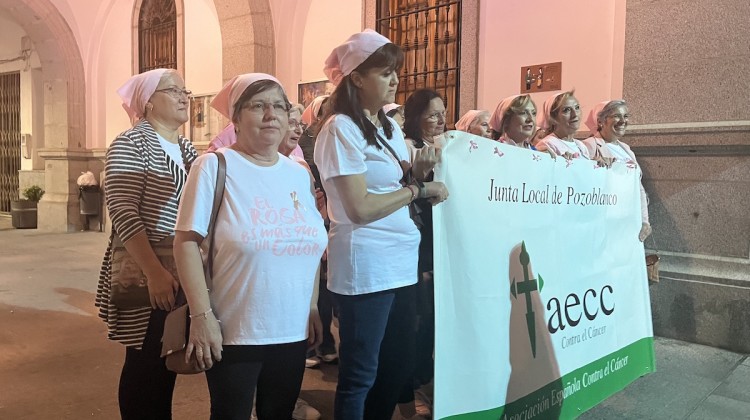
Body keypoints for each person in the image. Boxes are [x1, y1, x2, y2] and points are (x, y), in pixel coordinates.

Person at [173, 73, 327, 420]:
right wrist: (201, 316)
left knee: (279, 413)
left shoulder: (298, 174)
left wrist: (313, 305)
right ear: (236, 118)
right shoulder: (214, 165)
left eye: (279, 106)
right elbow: (185, 243)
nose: (271, 114)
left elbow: (311, 245)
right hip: (236, 330)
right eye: (258, 106)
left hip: (292, 328)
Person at [314, 29, 448, 419]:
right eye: (385, 72)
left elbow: (391, 185)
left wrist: (415, 174)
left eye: (396, 72)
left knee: (397, 365)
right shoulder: (340, 129)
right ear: (356, 77)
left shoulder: (386, 126)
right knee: (361, 374)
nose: (395, 80)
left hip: (400, 262)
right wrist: (418, 190)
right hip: (366, 266)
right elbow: (359, 208)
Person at [95, 68, 198, 419]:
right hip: (146, 269)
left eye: (186, 90)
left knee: (166, 358)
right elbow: (123, 213)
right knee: (144, 364)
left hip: (180, 266)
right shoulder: (130, 143)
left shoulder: (186, 148)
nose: (185, 96)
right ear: (149, 102)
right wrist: (153, 271)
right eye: (174, 90)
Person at [582, 100, 652, 241]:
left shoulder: (626, 150)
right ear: (601, 121)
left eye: (626, 116)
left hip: (628, 222)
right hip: (604, 224)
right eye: (617, 116)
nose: (623, 121)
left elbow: (638, 188)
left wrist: (645, 221)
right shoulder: (589, 146)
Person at [535, 90, 591, 159]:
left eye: (577, 108)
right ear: (553, 118)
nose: (575, 114)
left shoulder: (580, 146)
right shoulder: (548, 144)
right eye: (567, 110)